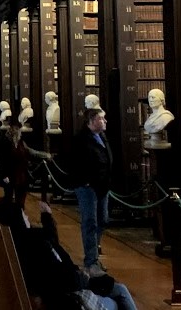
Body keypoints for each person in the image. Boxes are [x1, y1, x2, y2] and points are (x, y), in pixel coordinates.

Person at [0, 198, 138, 310]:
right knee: (119, 294)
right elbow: (62, 275)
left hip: (56, 293)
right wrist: (87, 278)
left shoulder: (15, 243)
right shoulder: (35, 242)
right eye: (24, 215)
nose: (28, 218)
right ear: (18, 220)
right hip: (66, 299)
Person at [73, 109, 112, 274]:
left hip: (102, 187)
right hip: (88, 187)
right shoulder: (81, 140)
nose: (105, 121)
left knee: (102, 220)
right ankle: (91, 260)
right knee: (90, 222)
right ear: (91, 121)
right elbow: (76, 162)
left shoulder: (102, 137)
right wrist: (87, 181)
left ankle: (93, 256)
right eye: (101, 118)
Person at [0, 117, 51, 208]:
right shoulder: (5, 144)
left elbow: (31, 152)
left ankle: (19, 215)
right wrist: (4, 175)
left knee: (20, 198)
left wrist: (46, 155)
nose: (20, 135)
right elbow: (2, 161)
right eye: (19, 133)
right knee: (9, 197)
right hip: (9, 174)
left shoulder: (21, 143)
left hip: (20, 175)